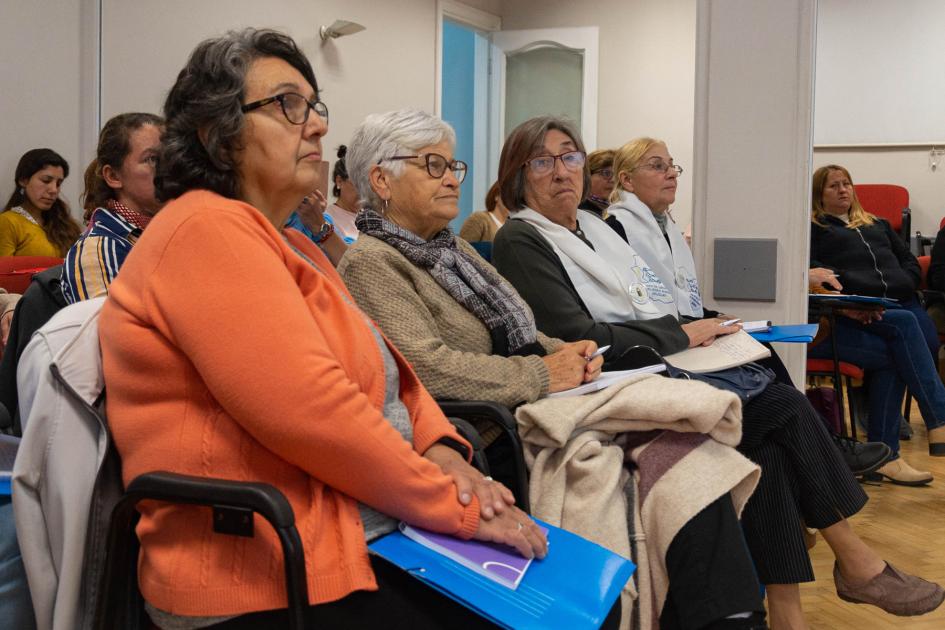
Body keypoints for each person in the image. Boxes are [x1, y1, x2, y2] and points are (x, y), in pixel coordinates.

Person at [98, 29, 549, 629]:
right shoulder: (202, 230)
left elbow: (395, 372)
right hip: (261, 572)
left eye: (315, 107)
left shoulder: (290, 243)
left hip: (356, 530)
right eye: (287, 104)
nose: (314, 125)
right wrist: (456, 507)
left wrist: (443, 449)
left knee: (558, 595)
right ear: (216, 135)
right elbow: (314, 413)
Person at [490, 115, 944, 628]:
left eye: (570, 156)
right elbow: (578, 336)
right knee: (784, 407)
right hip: (608, 384)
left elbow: (650, 308)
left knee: (768, 444)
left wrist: (702, 327)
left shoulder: (595, 227)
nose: (562, 171)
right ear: (518, 175)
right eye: (543, 161)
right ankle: (856, 562)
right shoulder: (522, 239)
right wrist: (685, 334)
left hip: (653, 365)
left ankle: (795, 613)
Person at [337, 109, 773, 630]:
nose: (452, 177)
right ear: (381, 180)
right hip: (494, 427)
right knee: (681, 449)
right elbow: (427, 368)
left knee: (691, 453)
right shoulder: (372, 263)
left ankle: (732, 618)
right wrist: (548, 373)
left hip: (543, 401)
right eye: (432, 165)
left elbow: (524, 328)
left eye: (453, 164)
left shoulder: (448, 249)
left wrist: (574, 353)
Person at [606, 138, 888, 476]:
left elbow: (678, 297)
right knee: (779, 401)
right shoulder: (615, 231)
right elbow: (635, 305)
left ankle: (826, 446)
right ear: (626, 180)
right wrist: (697, 327)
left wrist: (713, 317)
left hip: (684, 332)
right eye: (657, 166)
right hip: (658, 345)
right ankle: (829, 448)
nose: (671, 174)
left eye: (672, 166)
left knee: (759, 341)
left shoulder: (664, 228)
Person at [808, 164, 945, 480]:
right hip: (843, 315)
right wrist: (858, 294)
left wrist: (906, 282)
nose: (843, 190)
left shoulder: (878, 224)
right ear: (819, 196)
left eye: (847, 184)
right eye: (834, 186)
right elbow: (820, 276)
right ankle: (932, 422)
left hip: (893, 304)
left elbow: (910, 263)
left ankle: (882, 457)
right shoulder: (814, 230)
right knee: (905, 331)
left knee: (900, 344)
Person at [62, 113, 164, 303]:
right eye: (152, 159)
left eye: (171, 156)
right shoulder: (97, 250)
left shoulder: (169, 232)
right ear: (114, 177)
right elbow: (112, 331)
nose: (170, 168)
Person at [0, 149, 82, 257]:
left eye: (58, 183)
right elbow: (5, 271)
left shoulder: (64, 224)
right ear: (23, 180)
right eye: (46, 181)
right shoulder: (8, 222)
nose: (53, 190)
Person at [323, 144, 360, 243]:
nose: (364, 191)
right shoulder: (327, 221)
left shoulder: (371, 219)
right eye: (357, 184)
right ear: (339, 181)